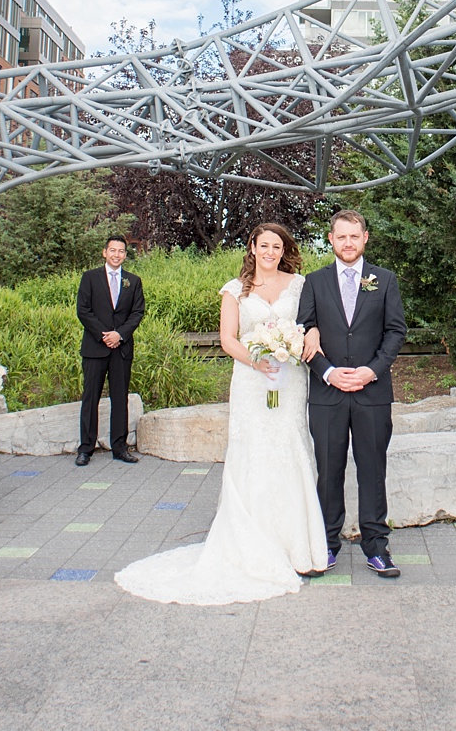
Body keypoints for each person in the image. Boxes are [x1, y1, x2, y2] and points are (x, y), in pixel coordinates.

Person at [115, 224, 327, 604]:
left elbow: (309, 324)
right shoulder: (235, 290)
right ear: (252, 247)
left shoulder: (299, 284)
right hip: (251, 379)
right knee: (254, 452)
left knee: (291, 445)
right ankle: (251, 541)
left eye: (277, 246)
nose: (270, 252)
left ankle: (299, 547)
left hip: (290, 380)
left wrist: (299, 342)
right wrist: (257, 360)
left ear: (284, 250)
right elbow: (228, 339)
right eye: (264, 245)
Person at [297, 209, 407, 578]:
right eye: (341, 236)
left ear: (365, 238)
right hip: (327, 394)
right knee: (329, 470)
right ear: (331, 239)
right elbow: (303, 331)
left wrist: (371, 370)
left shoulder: (385, 280)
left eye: (354, 236)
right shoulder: (314, 282)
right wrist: (327, 372)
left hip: (371, 393)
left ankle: (376, 546)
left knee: (373, 470)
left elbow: (395, 332)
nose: (348, 243)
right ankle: (326, 544)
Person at [75, 235, 144, 466]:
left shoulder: (133, 281)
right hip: (96, 347)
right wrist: (105, 335)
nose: (117, 254)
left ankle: (119, 447)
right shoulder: (90, 278)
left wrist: (119, 335)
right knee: (90, 398)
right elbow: (83, 310)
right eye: (112, 250)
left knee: (119, 398)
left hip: (121, 349)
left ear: (125, 254)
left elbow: (137, 313)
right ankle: (86, 448)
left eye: (121, 251)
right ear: (104, 252)